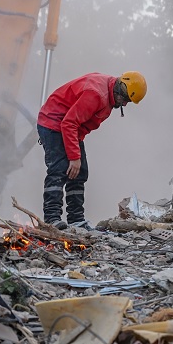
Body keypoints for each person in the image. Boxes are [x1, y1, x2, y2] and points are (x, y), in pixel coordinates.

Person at [37, 71, 147, 230]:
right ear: (120, 89)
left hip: (68, 126)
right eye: (125, 99)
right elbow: (69, 123)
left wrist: (76, 155)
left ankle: (76, 220)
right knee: (59, 169)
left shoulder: (109, 96)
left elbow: (81, 127)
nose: (124, 105)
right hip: (53, 123)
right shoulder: (96, 95)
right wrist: (74, 156)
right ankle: (51, 219)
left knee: (79, 171)